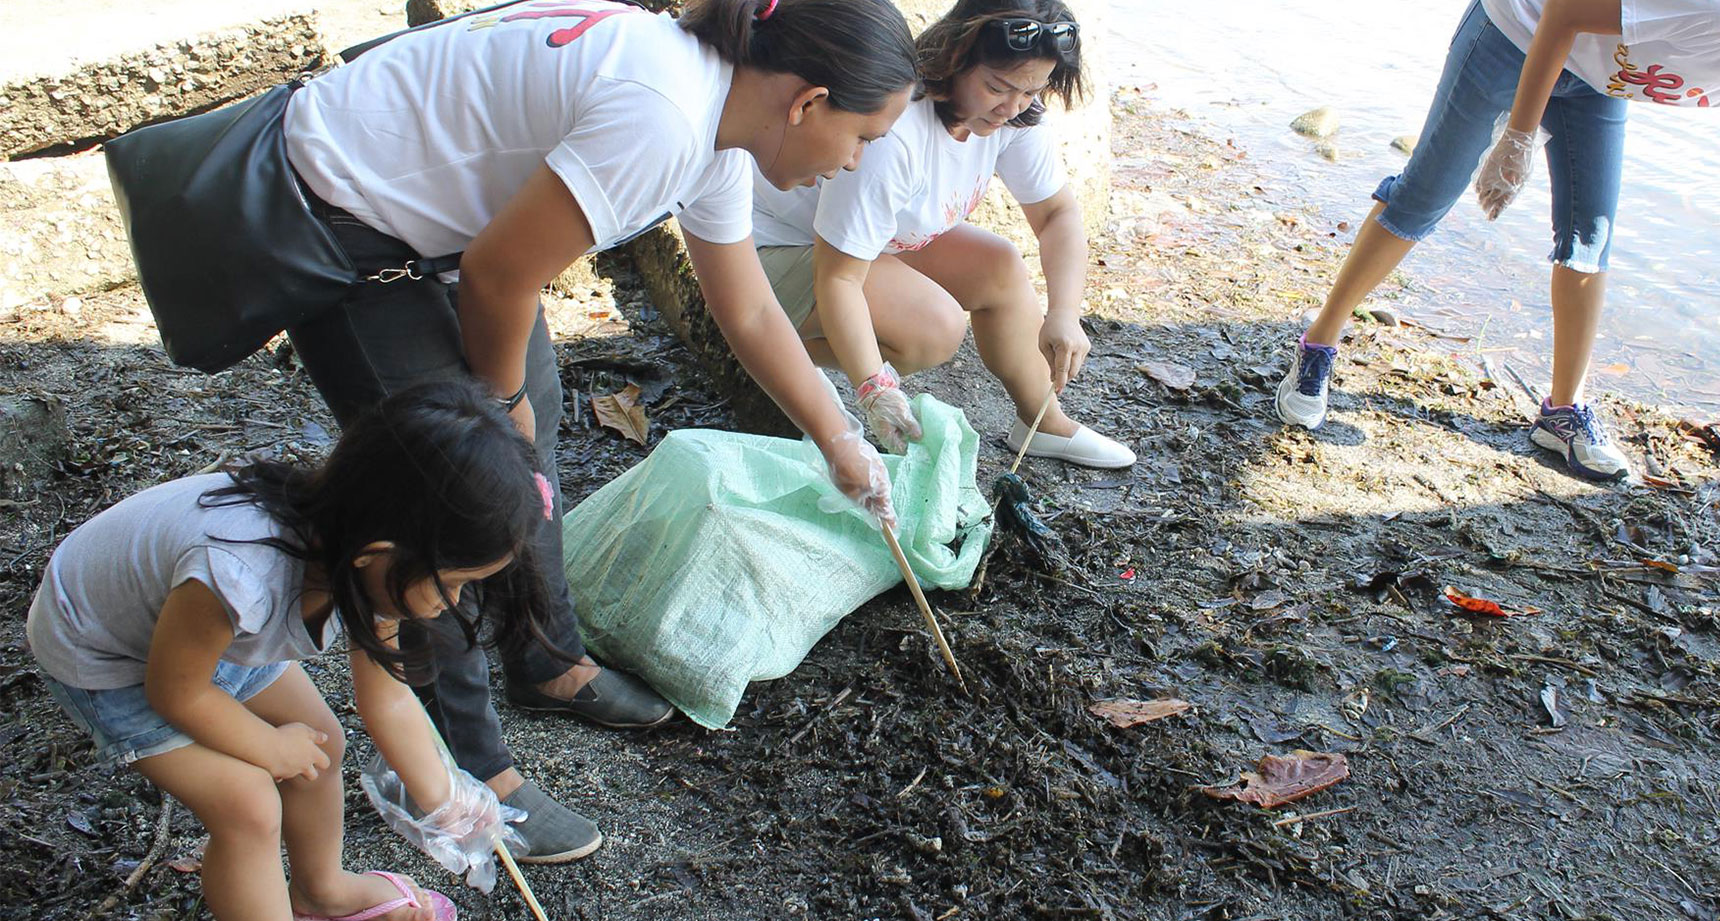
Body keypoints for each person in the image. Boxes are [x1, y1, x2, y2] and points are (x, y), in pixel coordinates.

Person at [266, 0, 919, 859]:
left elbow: (752, 308)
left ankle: (546, 658)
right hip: (341, 214)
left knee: (527, 470)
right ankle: (465, 765)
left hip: (456, 236)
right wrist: (497, 416)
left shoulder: (721, 125)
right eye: (864, 135)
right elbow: (501, 273)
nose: (855, 162)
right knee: (457, 498)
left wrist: (840, 440)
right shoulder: (666, 117)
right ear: (807, 102)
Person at [1270, 0, 1720, 482]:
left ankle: (1562, 413)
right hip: (1520, 30)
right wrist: (1518, 137)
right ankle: (1317, 345)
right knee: (1426, 196)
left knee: (1590, 235)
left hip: (1601, 75)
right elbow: (1560, 14)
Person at [26, 382, 551, 921]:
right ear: (378, 556)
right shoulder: (239, 572)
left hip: (207, 638)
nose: (453, 603)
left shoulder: (362, 544)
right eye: (454, 583)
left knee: (321, 743)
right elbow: (176, 692)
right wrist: (270, 749)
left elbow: (389, 698)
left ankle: (321, 892)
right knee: (248, 805)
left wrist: (449, 804)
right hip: (108, 657)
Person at [750, 0, 1135, 469]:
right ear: (956, 58)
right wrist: (875, 388)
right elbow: (840, 280)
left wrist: (1065, 313)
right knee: (935, 328)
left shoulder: (1014, 116)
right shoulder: (896, 132)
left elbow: (1057, 215)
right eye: (997, 86)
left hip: (863, 246)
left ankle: (1043, 424)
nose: (1011, 106)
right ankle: (782, 357)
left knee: (998, 265)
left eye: (1031, 90)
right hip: (775, 250)